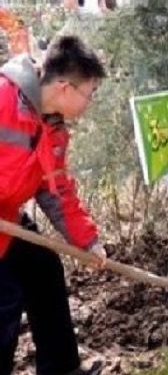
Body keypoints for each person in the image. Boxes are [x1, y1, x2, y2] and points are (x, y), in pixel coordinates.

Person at [0, 36, 107, 375]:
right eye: (89, 93)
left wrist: (87, 241)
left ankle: (62, 369)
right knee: (5, 300)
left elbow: (55, 192)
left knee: (43, 268)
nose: (90, 101)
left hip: (6, 220)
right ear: (64, 88)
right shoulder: (3, 99)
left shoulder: (53, 128)